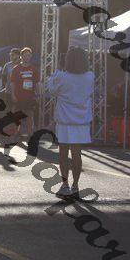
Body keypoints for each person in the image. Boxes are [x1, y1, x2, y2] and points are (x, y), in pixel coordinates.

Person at [46, 47, 94, 197]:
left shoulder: (62, 76)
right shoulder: (90, 76)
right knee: (77, 154)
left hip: (65, 120)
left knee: (63, 154)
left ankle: (65, 185)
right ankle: (75, 186)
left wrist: (52, 77)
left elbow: (51, 90)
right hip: (81, 120)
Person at [10, 47, 40, 141]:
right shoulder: (16, 69)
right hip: (18, 97)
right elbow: (12, 83)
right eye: (25, 55)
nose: (27, 57)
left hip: (30, 97)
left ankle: (30, 134)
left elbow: (37, 83)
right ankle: (15, 133)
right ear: (21, 56)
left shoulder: (34, 69)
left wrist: (38, 95)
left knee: (30, 116)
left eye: (29, 55)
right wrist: (13, 95)